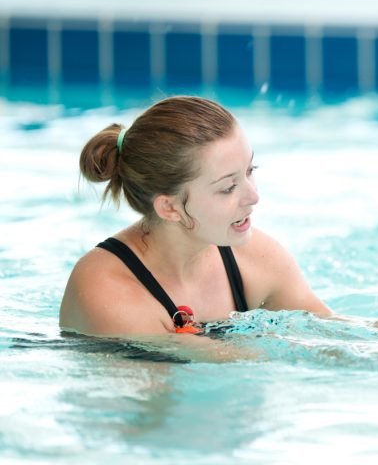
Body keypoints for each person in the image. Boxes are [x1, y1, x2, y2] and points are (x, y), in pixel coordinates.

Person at [60, 96, 332, 338]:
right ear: (170, 208)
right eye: (228, 187)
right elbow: (230, 364)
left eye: (250, 170)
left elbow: (334, 330)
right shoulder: (108, 291)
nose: (254, 196)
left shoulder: (253, 258)